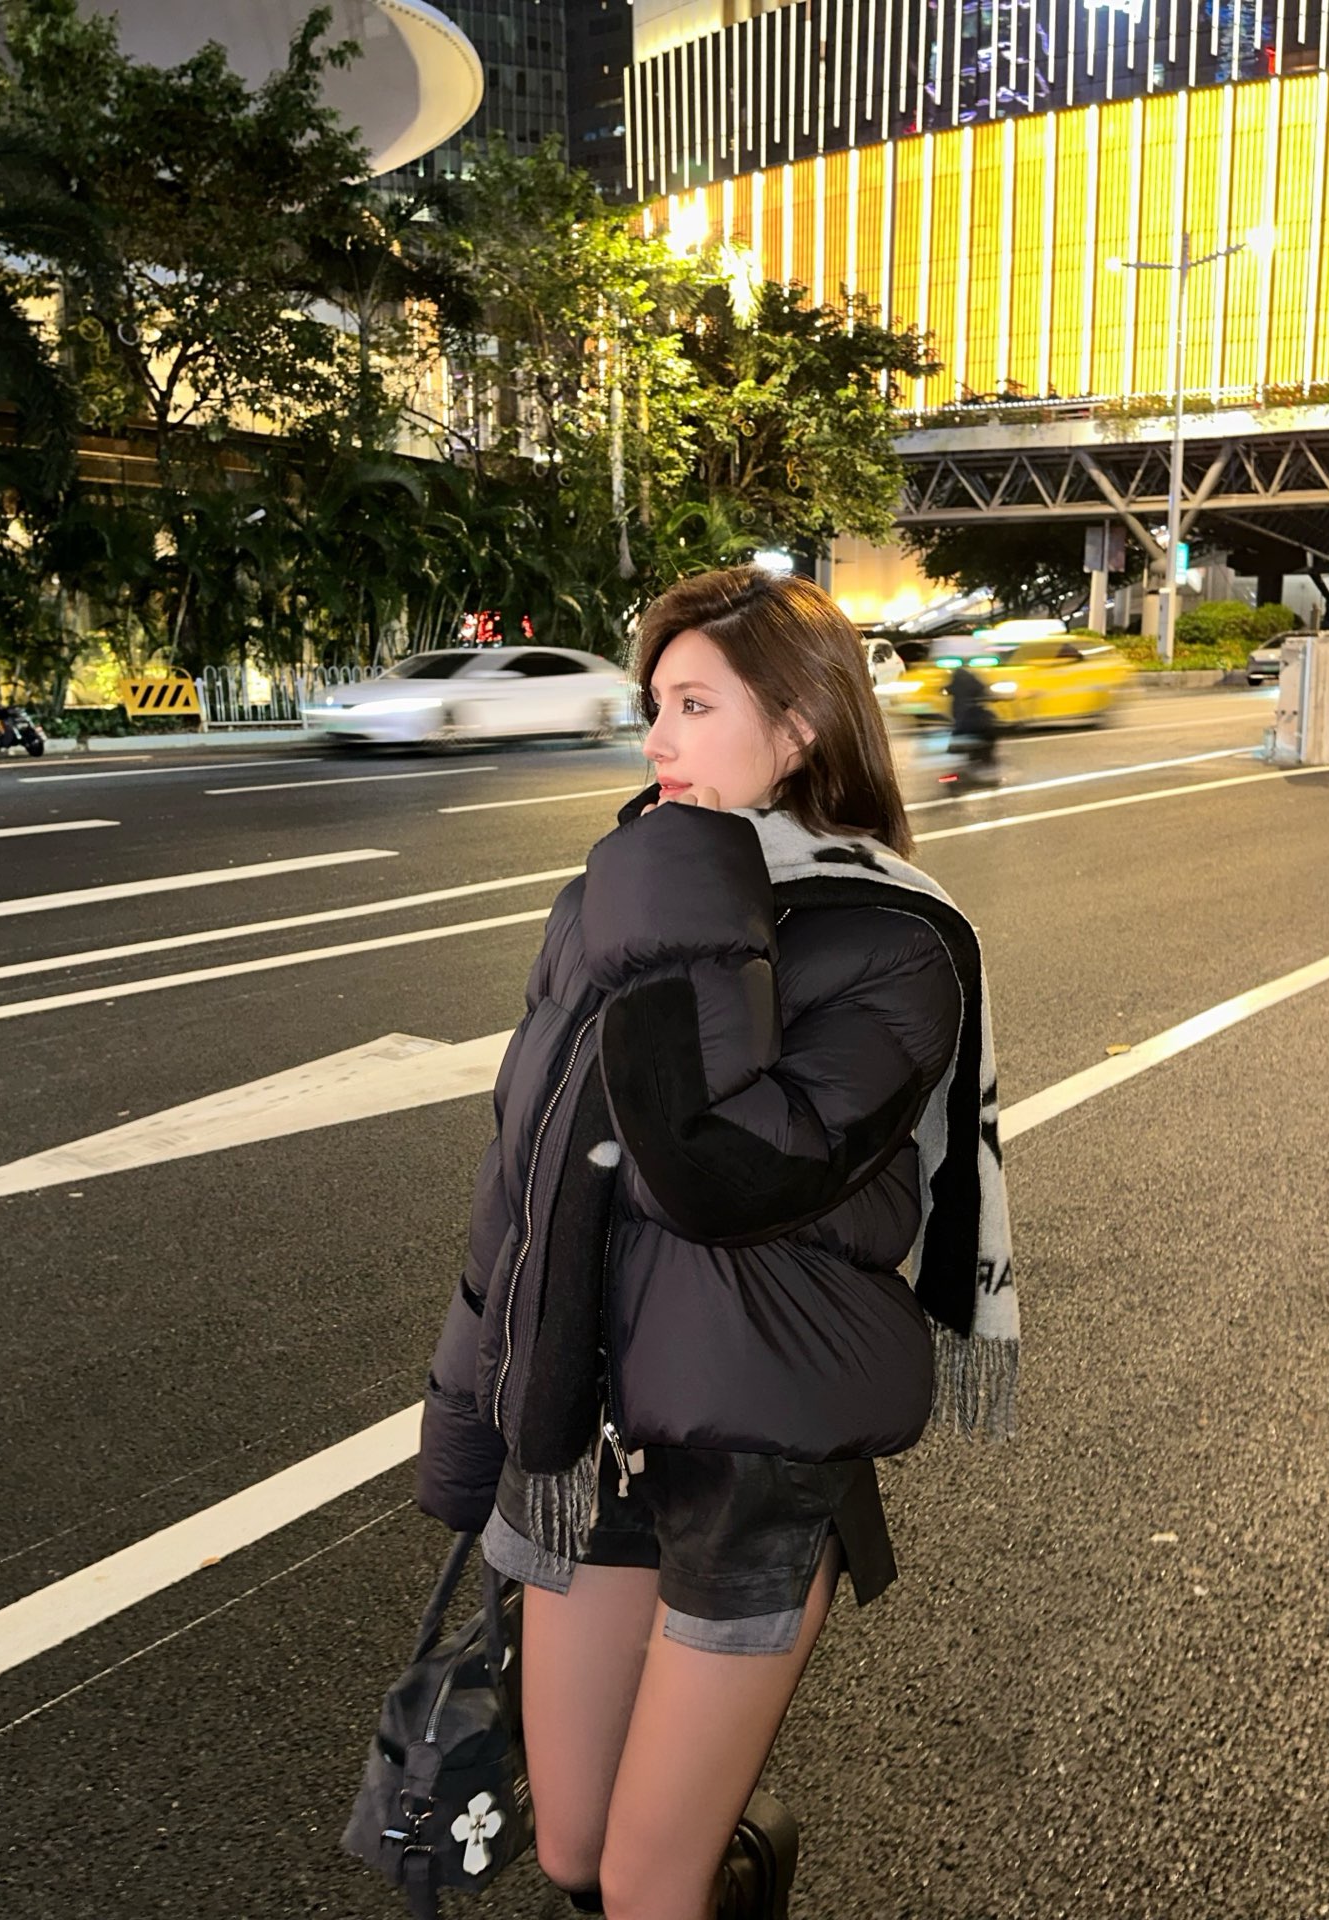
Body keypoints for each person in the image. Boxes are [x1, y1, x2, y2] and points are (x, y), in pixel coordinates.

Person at [417, 565, 1019, 1920]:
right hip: (587, 1425)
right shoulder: (616, 900)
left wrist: (682, 909)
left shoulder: (895, 941)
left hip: (760, 1445)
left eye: (695, 705)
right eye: (654, 706)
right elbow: (521, 1178)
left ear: (800, 726)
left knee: (646, 1883)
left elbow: (729, 1174)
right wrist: (468, 1416)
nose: (657, 740)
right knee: (572, 1853)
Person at [945, 661, 1001, 779]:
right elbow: (987, 694)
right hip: (976, 725)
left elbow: (946, 690)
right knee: (988, 740)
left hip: (962, 726)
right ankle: (988, 766)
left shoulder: (954, 688)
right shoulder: (976, 687)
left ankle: (977, 765)